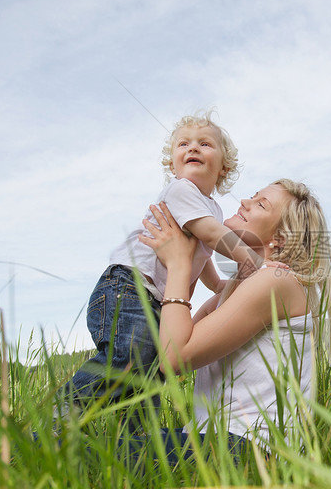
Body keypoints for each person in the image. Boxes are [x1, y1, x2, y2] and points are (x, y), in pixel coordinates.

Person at [57, 111, 264, 428]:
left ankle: (137, 440)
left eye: (204, 143)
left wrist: (217, 285)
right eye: (184, 143)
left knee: (148, 379)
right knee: (128, 359)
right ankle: (65, 410)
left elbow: (201, 253)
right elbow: (209, 235)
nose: (192, 148)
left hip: (154, 300)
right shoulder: (182, 191)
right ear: (173, 164)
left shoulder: (212, 208)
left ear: (224, 167)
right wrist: (250, 259)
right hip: (128, 287)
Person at [137, 178, 331, 453]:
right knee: (101, 440)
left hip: (245, 448)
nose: (244, 201)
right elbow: (169, 347)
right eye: (252, 196)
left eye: (261, 204)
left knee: (77, 449)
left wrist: (179, 264)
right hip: (213, 438)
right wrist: (191, 254)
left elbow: (174, 358)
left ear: (280, 238)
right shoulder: (235, 291)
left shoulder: (277, 280)